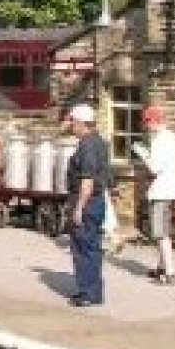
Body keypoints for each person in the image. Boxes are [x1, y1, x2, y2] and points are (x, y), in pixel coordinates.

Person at [64, 103, 110, 307]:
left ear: (82, 123)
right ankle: (94, 291)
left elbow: (87, 179)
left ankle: (88, 293)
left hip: (88, 201)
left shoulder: (87, 145)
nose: (71, 125)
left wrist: (79, 208)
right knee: (92, 246)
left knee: (83, 247)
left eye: (73, 121)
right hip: (96, 200)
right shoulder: (98, 141)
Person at [133, 105, 175, 285]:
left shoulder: (161, 140)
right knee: (162, 231)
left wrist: (142, 152)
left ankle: (170, 273)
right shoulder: (170, 137)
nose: (146, 126)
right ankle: (162, 267)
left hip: (162, 191)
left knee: (160, 233)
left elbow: (155, 167)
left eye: (147, 122)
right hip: (169, 190)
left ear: (153, 121)